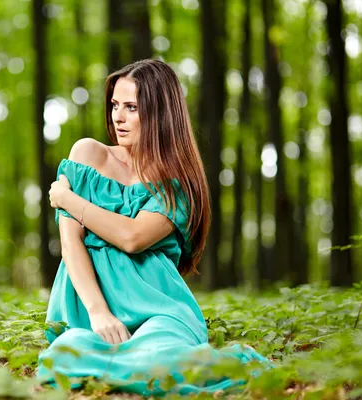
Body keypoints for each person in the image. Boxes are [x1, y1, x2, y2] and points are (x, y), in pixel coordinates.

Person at [35, 59, 273, 397]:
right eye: (116, 105)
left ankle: (219, 363)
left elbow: (132, 238)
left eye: (132, 107)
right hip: (91, 313)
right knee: (63, 358)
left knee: (159, 359)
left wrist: (66, 198)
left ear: (161, 113)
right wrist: (98, 312)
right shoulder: (87, 154)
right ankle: (130, 363)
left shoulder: (177, 185)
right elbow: (71, 243)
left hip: (161, 312)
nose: (118, 117)